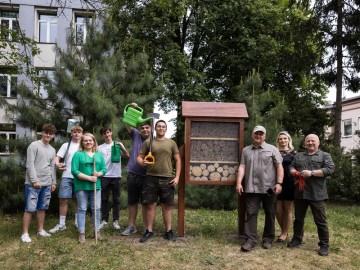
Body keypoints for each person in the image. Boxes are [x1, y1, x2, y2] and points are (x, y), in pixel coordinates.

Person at [236, 125, 284, 251]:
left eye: (261, 134)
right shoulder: (246, 150)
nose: (258, 136)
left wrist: (279, 183)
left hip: (269, 188)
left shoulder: (272, 149)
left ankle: (268, 239)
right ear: (252, 135)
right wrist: (239, 182)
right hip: (251, 188)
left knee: (270, 213)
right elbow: (242, 166)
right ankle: (250, 240)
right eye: (256, 133)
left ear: (265, 136)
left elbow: (279, 167)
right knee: (251, 213)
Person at [287, 134, 335, 256]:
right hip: (300, 193)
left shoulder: (324, 155)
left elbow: (330, 169)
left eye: (313, 141)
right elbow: (291, 166)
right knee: (298, 219)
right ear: (305, 143)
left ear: (318, 143)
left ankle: (324, 244)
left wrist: (312, 173)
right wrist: (293, 172)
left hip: (317, 194)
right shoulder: (299, 155)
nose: (310, 143)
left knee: (321, 221)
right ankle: (297, 239)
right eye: (308, 141)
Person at [137, 120, 181, 243]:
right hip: (150, 177)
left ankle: (168, 231)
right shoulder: (148, 142)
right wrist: (142, 162)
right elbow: (139, 157)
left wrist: (177, 177)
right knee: (150, 205)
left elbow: (178, 160)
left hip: (167, 178)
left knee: (166, 206)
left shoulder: (171, 143)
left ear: (166, 129)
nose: (161, 128)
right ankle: (149, 231)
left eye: (163, 127)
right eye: (159, 126)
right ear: (155, 129)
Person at [21, 123, 57, 243]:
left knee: (42, 208)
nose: (48, 135)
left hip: (47, 183)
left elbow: (52, 167)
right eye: (46, 132)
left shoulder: (52, 150)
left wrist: (53, 182)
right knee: (30, 208)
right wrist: (34, 180)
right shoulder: (34, 145)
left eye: (50, 133)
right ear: (42, 133)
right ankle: (25, 234)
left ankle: (40, 230)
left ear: (53, 135)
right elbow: (29, 164)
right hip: (33, 183)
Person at [71, 133, 107, 243]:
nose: (88, 142)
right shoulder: (78, 154)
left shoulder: (98, 155)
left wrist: (98, 173)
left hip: (96, 186)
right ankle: (81, 233)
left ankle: (97, 231)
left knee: (96, 209)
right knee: (82, 208)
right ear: (82, 142)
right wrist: (89, 178)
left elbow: (104, 169)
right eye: (85, 140)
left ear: (94, 141)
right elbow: (74, 171)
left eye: (90, 140)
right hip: (82, 186)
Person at [121, 110, 151, 236]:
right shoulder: (136, 135)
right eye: (142, 127)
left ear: (151, 129)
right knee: (132, 202)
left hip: (147, 176)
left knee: (145, 202)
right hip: (133, 174)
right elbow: (127, 122)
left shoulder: (155, 140)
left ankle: (146, 227)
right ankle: (132, 226)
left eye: (147, 127)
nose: (144, 129)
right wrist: (130, 109)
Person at [49, 125, 83, 233]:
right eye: (74, 132)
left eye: (79, 132)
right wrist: (58, 164)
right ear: (71, 133)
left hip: (80, 176)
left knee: (77, 200)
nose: (76, 134)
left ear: (82, 133)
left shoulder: (84, 145)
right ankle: (62, 224)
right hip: (67, 176)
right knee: (63, 199)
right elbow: (57, 158)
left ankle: (78, 222)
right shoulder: (66, 145)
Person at [98, 127, 129, 230]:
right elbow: (97, 161)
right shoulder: (99, 147)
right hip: (104, 176)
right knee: (104, 199)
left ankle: (116, 221)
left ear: (111, 132)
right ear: (102, 135)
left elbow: (127, 155)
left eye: (108, 132)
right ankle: (105, 221)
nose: (107, 135)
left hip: (116, 176)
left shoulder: (118, 144)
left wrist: (122, 147)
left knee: (116, 199)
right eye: (104, 133)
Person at [275, 131, 297, 242]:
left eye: (285, 138)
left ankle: (284, 233)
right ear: (278, 141)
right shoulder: (274, 152)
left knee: (287, 209)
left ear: (289, 140)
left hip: (289, 183)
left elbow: (297, 167)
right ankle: (284, 230)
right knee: (277, 210)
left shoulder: (294, 153)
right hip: (276, 182)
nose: (283, 140)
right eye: (281, 139)